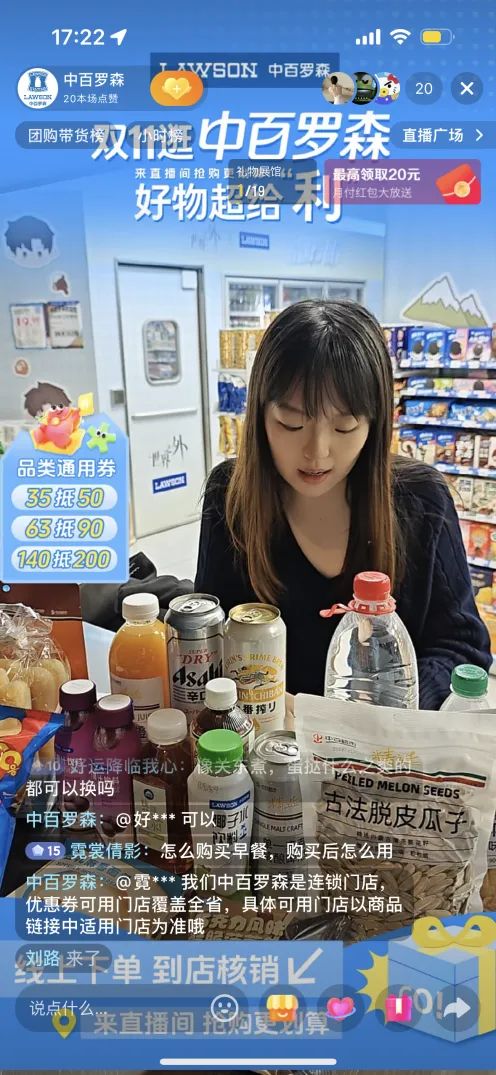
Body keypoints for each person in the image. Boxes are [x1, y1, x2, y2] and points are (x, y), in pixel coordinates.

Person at [195, 300, 492, 711]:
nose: (316, 451)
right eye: (291, 423)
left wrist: (384, 710)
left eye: (344, 425)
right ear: (259, 414)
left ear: (375, 423)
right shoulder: (230, 495)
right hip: (268, 736)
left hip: (382, 743)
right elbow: (210, 639)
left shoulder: (422, 502)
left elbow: (461, 648)